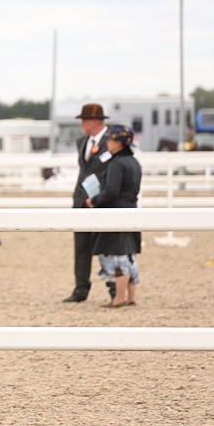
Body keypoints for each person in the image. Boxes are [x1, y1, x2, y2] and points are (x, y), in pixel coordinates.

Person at [86, 125, 142, 307]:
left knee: (117, 256)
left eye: (110, 140)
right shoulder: (134, 163)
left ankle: (118, 298)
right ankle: (131, 297)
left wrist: (95, 200)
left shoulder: (117, 164)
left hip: (116, 213)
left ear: (119, 143)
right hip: (131, 210)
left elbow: (111, 191)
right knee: (130, 254)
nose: (108, 143)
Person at [63, 103, 112, 303]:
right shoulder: (82, 142)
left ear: (94, 121)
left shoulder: (112, 142)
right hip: (81, 201)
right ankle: (81, 288)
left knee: (107, 246)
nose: (82, 124)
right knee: (81, 246)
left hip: (102, 202)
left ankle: (114, 288)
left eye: (84, 120)